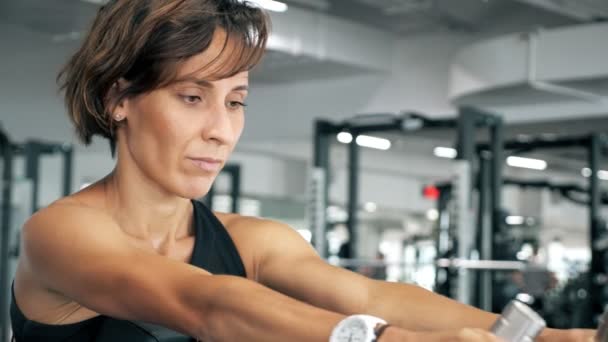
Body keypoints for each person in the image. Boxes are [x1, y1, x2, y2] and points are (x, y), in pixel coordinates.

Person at [9, 0, 595, 341]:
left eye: (235, 101)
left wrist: (549, 337)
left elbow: (367, 293)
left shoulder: (253, 240)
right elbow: (207, 305)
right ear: (119, 100)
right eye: (192, 97)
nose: (221, 128)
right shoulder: (59, 235)